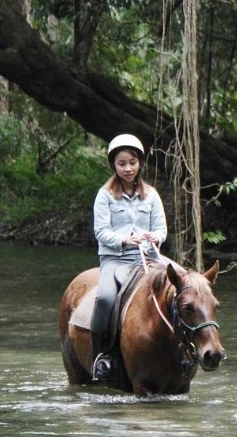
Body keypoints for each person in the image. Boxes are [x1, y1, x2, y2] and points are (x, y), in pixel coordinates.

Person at [90, 133, 167, 380]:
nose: (128, 168)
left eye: (132, 162)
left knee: (185, 286)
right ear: (113, 164)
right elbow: (100, 232)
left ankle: (185, 351)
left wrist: (154, 238)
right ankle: (99, 356)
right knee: (104, 298)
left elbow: (161, 229)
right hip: (115, 259)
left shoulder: (152, 195)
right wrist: (124, 239)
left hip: (149, 258)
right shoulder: (104, 196)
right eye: (122, 163)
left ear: (140, 163)